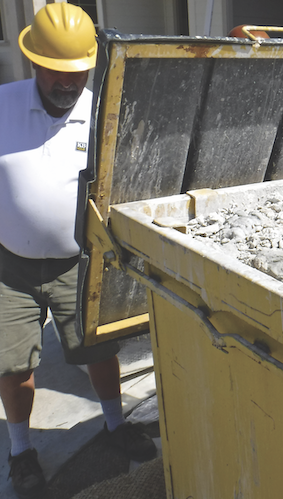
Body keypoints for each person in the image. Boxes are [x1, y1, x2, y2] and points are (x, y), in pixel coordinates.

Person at [0, 4, 156, 498]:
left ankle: (114, 425)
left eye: (78, 73)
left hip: (78, 261)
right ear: (33, 62)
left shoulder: (100, 115)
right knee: (14, 365)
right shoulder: (1, 106)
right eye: (56, 73)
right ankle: (21, 451)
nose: (68, 84)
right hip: (10, 267)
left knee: (99, 347)